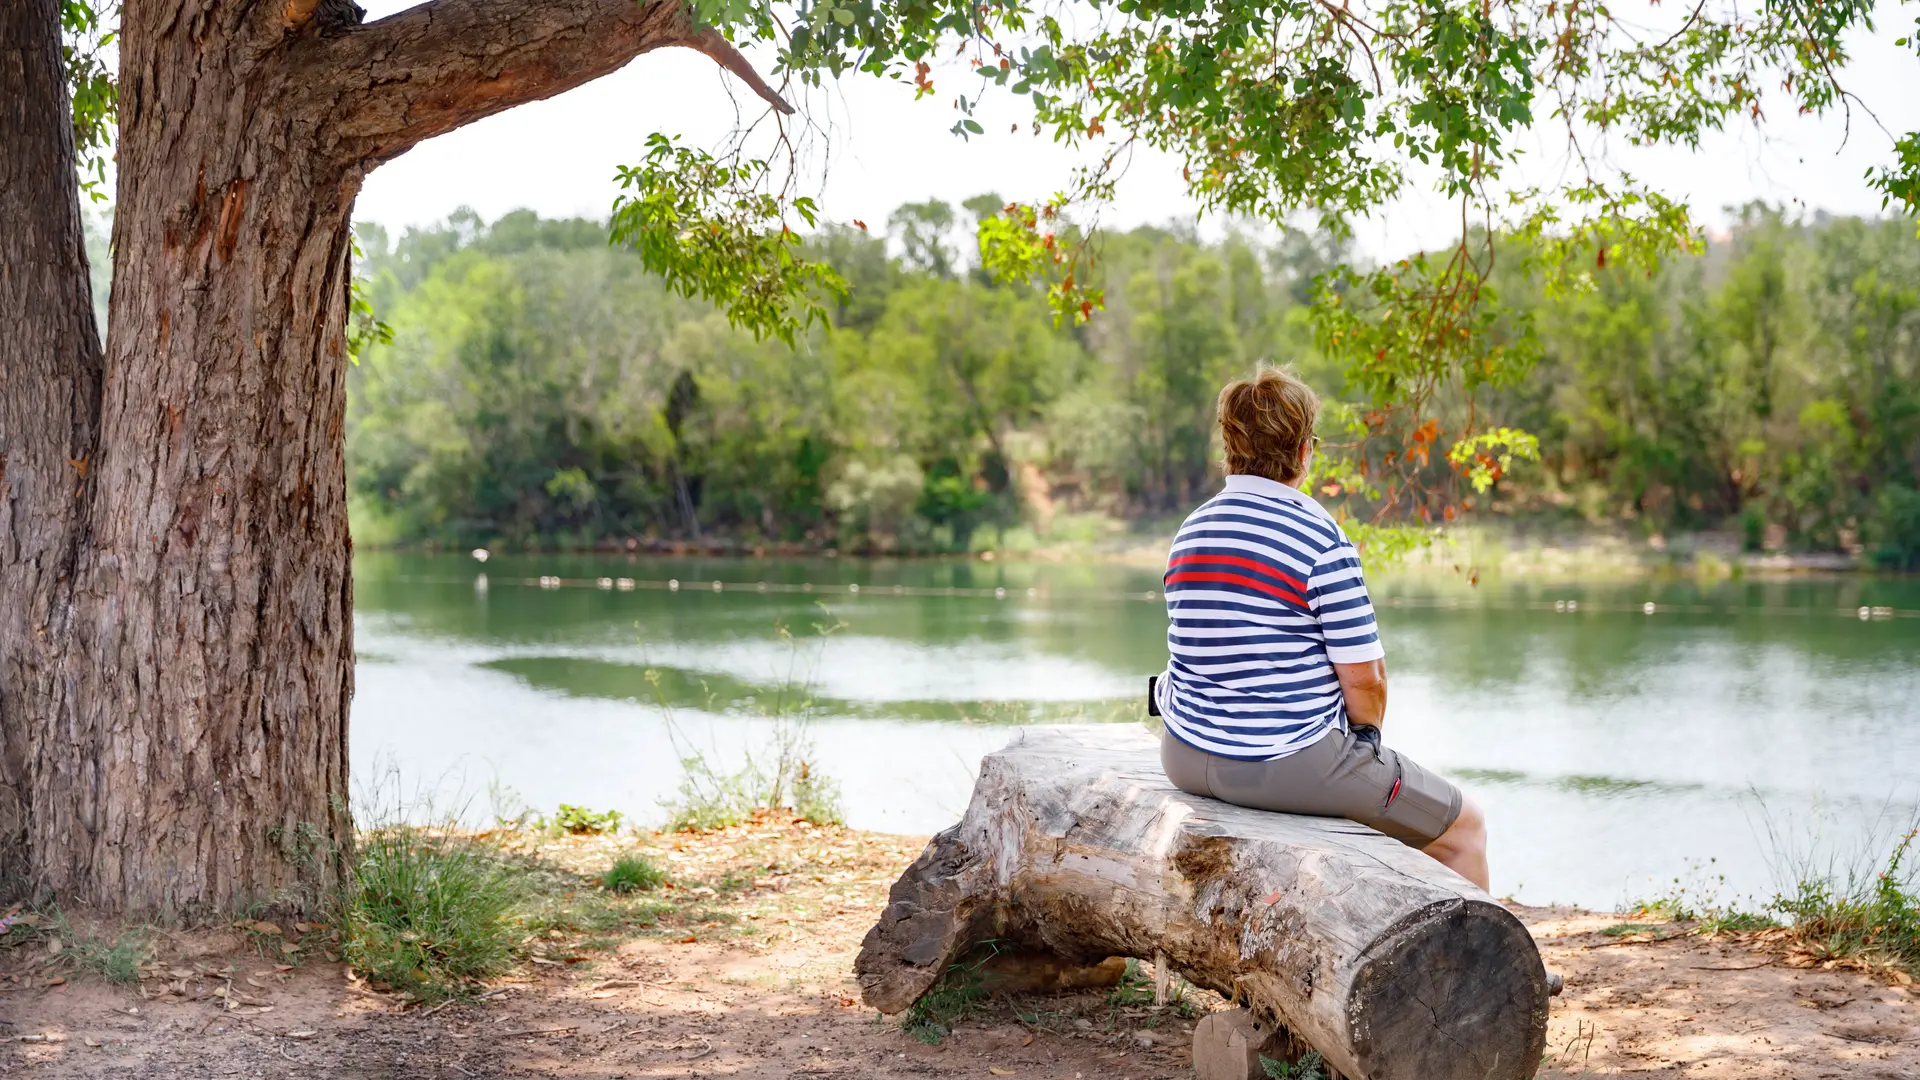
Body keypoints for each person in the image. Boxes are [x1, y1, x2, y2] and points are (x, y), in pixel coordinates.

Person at [1153, 368, 1490, 890]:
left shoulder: (1191, 530)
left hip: (1184, 753)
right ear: (1305, 450)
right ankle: (1489, 973)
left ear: (1230, 447)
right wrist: (1366, 746)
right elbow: (1365, 683)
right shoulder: (1318, 538)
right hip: (1284, 763)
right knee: (1465, 827)